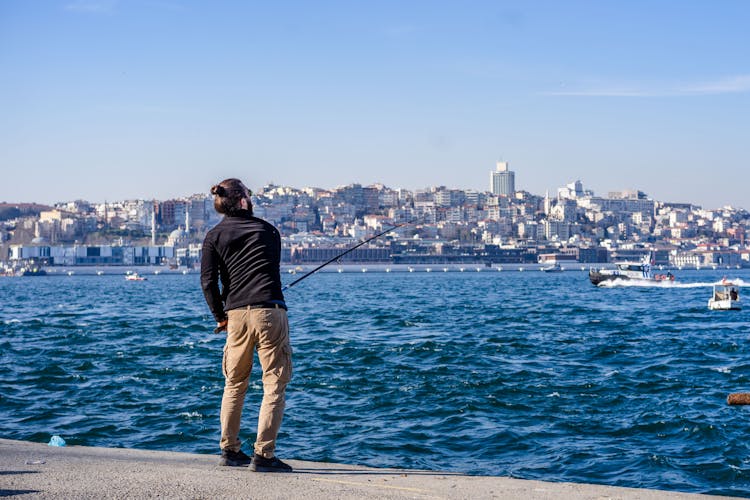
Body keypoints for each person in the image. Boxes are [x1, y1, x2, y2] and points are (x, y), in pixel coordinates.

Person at [200, 178, 293, 473]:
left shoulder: (213, 236)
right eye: (249, 195)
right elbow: (269, 272)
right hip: (270, 312)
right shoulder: (268, 231)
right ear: (242, 201)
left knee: (234, 383)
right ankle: (263, 455)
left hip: (236, 316)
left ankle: (229, 449)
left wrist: (221, 317)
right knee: (274, 383)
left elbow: (208, 283)